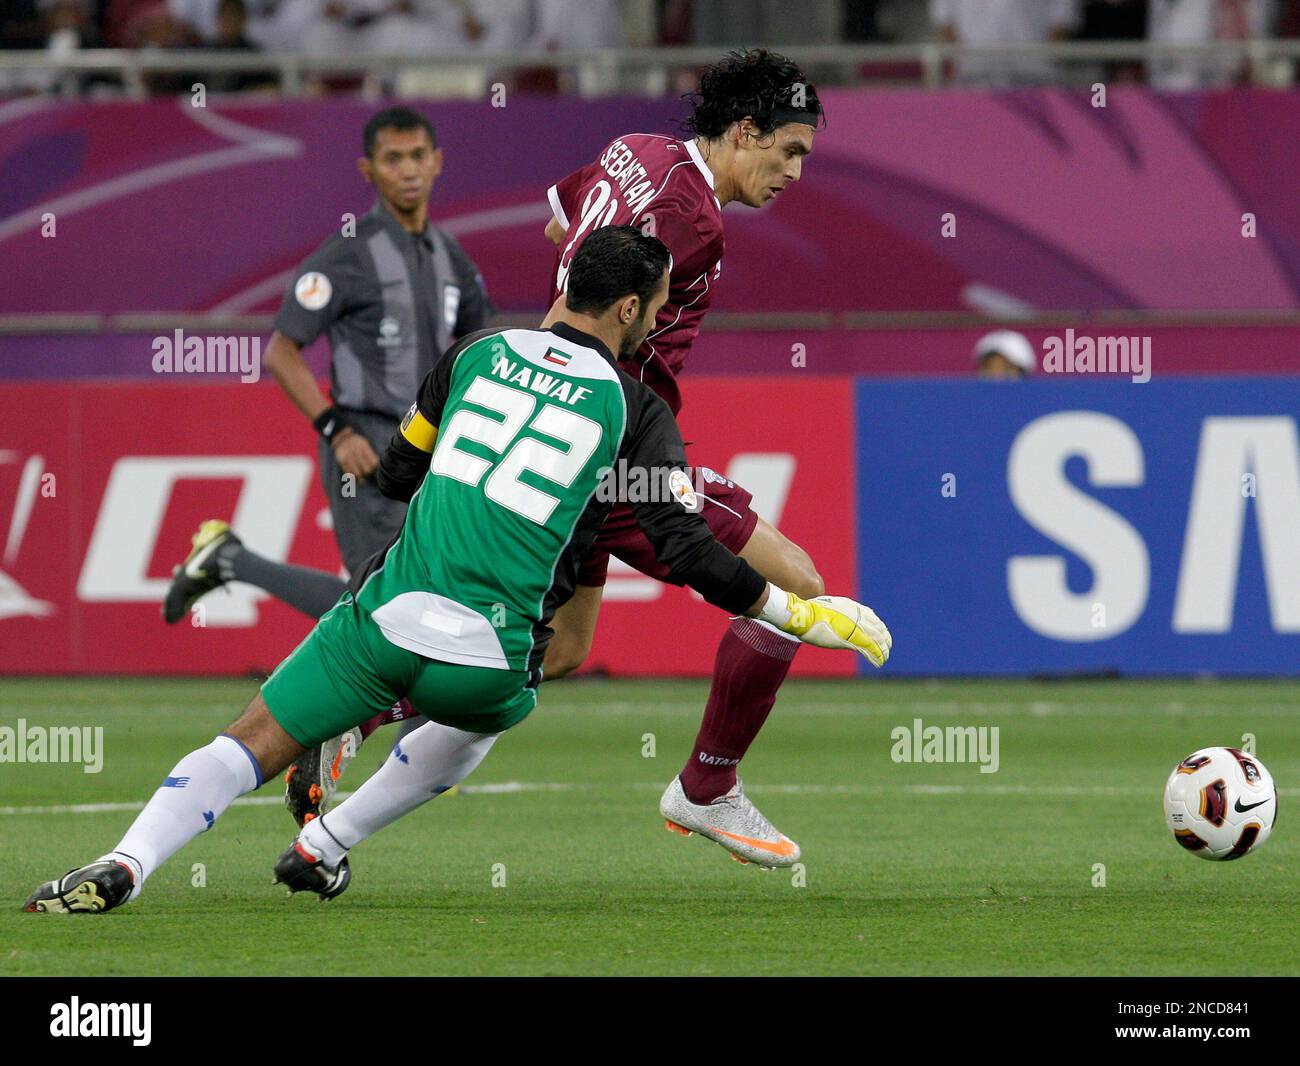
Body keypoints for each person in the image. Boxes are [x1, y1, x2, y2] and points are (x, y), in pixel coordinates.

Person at [23, 227, 891, 915]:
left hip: (384, 617)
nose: (663, 319)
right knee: (510, 693)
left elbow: (398, 473)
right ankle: (327, 844)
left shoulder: (474, 355)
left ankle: (126, 861)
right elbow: (686, 548)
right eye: (658, 307)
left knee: (244, 741)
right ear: (627, 310)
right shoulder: (635, 406)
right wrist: (801, 613)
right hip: (482, 658)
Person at [536, 49, 840, 868]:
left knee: (558, 650)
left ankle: (359, 713)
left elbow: (560, 219)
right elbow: (588, 317)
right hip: (614, 450)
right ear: (745, 131)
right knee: (798, 584)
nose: (796, 173)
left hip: (563, 433)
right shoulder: (692, 223)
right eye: (790, 150)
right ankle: (707, 788)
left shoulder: (638, 150)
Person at [162, 106, 492, 821]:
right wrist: (334, 423)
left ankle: (231, 562)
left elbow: (478, 351)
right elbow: (282, 348)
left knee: (401, 596)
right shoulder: (348, 252)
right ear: (369, 172)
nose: (406, 170)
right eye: (392, 159)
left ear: (437, 162)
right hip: (368, 445)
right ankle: (362, 732)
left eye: (417, 156)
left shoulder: (451, 257)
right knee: (382, 599)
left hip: (433, 452)